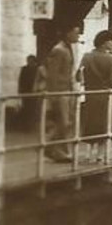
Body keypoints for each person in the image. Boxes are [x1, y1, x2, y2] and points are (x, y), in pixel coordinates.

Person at [78, 30, 112, 162]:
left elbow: (78, 76)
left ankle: (88, 154)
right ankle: (100, 155)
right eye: (111, 41)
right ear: (104, 43)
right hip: (106, 95)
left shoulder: (86, 56)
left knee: (91, 124)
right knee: (104, 125)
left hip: (90, 94)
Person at [42, 26, 80, 162]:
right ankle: (60, 151)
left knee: (65, 122)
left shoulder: (67, 49)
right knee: (63, 122)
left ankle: (53, 149)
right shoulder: (59, 50)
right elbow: (53, 74)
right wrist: (54, 95)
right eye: (76, 32)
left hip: (66, 90)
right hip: (60, 91)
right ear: (67, 33)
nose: (78, 35)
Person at [15, 54, 42, 131]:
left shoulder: (37, 69)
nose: (29, 62)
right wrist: (20, 90)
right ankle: (26, 126)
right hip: (25, 91)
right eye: (28, 60)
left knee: (32, 109)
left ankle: (31, 125)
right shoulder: (24, 69)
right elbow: (21, 80)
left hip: (33, 91)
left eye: (30, 60)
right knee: (26, 109)